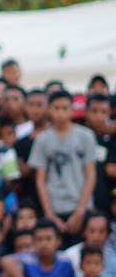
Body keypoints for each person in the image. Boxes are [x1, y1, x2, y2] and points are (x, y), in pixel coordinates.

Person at [29, 90, 97, 247]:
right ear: (49, 110)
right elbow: (40, 179)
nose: (60, 113)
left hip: (81, 206)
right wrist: (49, 214)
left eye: (65, 108)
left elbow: (91, 174)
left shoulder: (86, 136)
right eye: (56, 108)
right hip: (55, 207)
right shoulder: (42, 140)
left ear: (72, 110)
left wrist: (81, 210)